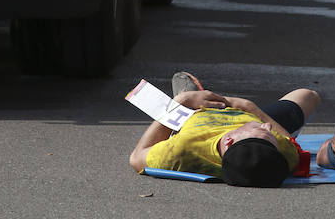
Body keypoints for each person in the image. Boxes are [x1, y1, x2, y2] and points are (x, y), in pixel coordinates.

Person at [129, 71, 321, 187]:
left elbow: (136, 158)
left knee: (181, 110)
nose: (268, 126)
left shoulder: (182, 150)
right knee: (308, 95)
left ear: (229, 140)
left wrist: (181, 102)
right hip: (245, 112)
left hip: (194, 115)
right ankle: (196, 94)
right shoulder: (280, 155)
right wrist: (247, 106)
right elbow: (290, 142)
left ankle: (189, 94)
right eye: (270, 135)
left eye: (262, 131)